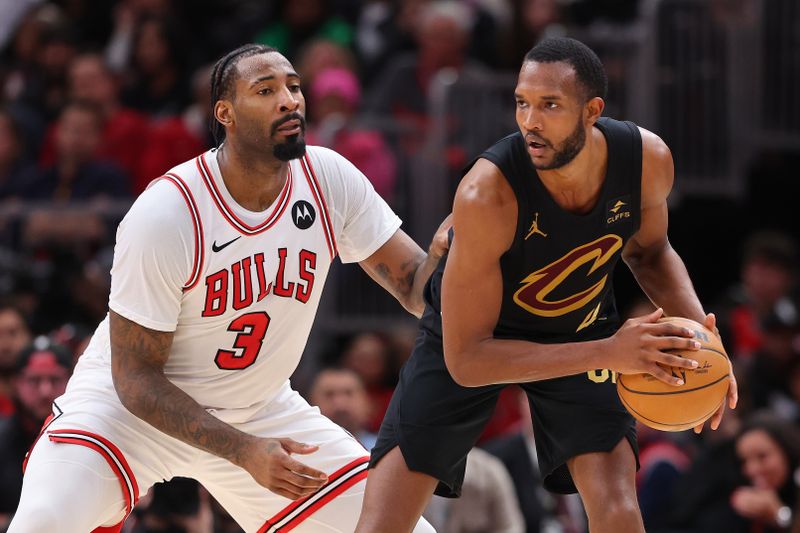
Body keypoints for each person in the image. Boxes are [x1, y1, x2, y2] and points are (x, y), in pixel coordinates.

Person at [9, 43, 442, 533]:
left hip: (257, 410)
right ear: (226, 114)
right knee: (41, 523)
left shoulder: (329, 179)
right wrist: (242, 451)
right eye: (266, 90)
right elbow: (135, 379)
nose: (289, 100)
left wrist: (453, 259)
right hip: (127, 414)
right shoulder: (168, 212)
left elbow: (415, 286)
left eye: (294, 87)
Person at [355, 37, 738, 533]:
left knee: (619, 510)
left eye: (550, 105)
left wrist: (702, 341)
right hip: (473, 336)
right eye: (522, 103)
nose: (529, 121)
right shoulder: (486, 194)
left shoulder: (646, 161)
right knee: (383, 523)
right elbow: (468, 360)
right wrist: (609, 353)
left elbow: (650, 251)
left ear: (592, 110)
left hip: (580, 326)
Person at [0, 338, 72, 526]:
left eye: (55, 379)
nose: (45, 391)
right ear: (17, 383)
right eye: (34, 380)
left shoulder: (87, 438)